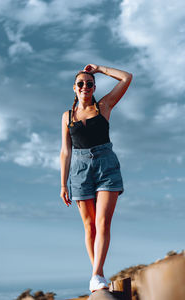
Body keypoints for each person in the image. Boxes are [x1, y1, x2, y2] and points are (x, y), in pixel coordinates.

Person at [60, 64, 132, 293]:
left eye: (89, 84)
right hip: (79, 172)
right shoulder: (67, 116)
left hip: (106, 167)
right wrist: (63, 184)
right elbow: (65, 151)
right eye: (81, 83)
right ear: (74, 88)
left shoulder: (104, 106)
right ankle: (97, 274)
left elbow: (126, 78)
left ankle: (96, 273)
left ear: (94, 87)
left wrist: (99, 69)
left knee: (102, 223)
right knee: (89, 226)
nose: (85, 87)